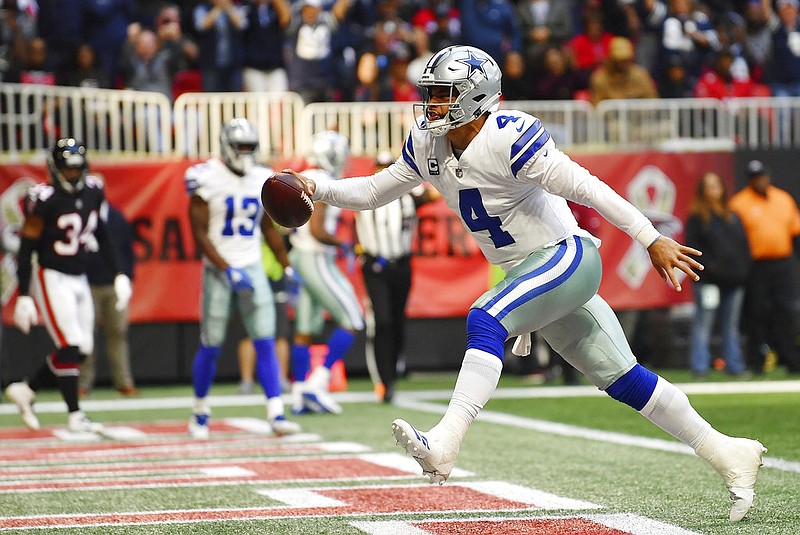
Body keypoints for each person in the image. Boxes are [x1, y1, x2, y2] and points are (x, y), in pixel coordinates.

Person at [288, 45, 767, 522]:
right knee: (625, 380)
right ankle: (728, 453)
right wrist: (317, 186)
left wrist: (649, 236)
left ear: (476, 97)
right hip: (528, 273)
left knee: (485, 317)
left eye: (442, 95)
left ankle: (446, 442)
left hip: (566, 258)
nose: (431, 105)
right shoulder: (429, 142)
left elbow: (588, 187)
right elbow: (374, 190)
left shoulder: (509, 136)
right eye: (429, 94)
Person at [4, 138, 132, 433]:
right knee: (70, 344)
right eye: (67, 169)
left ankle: (26, 389)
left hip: (79, 276)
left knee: (82, 348)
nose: (73, 175)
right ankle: (75, 414)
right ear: (55, 169)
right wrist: (24, 295)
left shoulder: (94, 191)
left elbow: (101, 232)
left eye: (77, 169)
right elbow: (27, 246)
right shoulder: (44, 198)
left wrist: (118, 274)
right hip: (51, 276)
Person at [184, 117, 300, 439]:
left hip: (251, 265)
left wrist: (286, 265)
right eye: (241, 147)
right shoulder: (205, 177)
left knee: (265, 338)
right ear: (226, 146)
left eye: (250, 147)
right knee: (211, 343)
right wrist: (225, 267)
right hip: (219, 268)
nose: (245, 153)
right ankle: (200, 411)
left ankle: (276, 413)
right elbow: (199, 233)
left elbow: (267, 227)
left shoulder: (262, 177)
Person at [288, 130, 364, 415]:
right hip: (316, 257)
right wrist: (344, 244)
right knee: (353, 318)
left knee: (304, 331)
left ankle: (299, 394)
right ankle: (317, 384)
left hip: (301, 254)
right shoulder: (318, 180)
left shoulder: (303, 175)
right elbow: (318, 231)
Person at [355, 151, 438, 403]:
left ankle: (394, 367)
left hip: (401, 265)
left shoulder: (408, 195)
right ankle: (384, 380)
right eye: (379, 167)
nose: (382, 172)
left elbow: (435, 192)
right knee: (382, 321)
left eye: (387, 167)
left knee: (398, 321)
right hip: (375, 266)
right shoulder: (363, 190)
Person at [729, 160, 800, 375]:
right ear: (749, 180)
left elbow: (795, 231)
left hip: (783, 263)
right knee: (757, 313)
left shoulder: (782, 198)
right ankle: (757, 361)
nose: (760, 180)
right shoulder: (739, 203)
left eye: (762, 176)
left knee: (786, 311)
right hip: (756, 266)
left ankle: (791, 360)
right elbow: (736, 240)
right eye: (755, 177)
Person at [684, 172, 751, 378]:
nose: (713, 190)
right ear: (702, 191)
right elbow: (693, 249)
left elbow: (743, 246)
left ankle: (735, 365)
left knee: (731, 325)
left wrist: (742, 270)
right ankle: (700, 366)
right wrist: (711, 269)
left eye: (716, 185)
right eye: (709, 186)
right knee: (704, 322)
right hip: (709, 281)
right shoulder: (696, 218)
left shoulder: (732, 216)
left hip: (733, 280)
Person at [79, 194, 138, 397]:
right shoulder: (80, 215)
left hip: (114, 284)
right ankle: (83, 383)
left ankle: (124, 381)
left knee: (118, 333)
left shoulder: (116, 217)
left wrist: (127, 277)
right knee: (85, 335)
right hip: (88, 284)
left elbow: (128, 251)